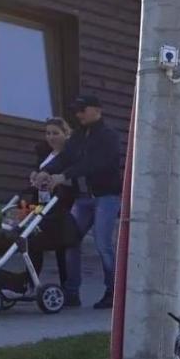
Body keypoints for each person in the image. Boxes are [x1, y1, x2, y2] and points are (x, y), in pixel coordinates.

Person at [50, 94, 122, 309]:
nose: (78, 114)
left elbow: (95, 164)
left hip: (106, 197)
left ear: (97, 109)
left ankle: (113, 292)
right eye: (76, 110)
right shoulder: (79, 136)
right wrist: (44, 172)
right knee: (70, 240)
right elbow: (64, 158)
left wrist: (64, 176)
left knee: (103, 244)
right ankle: (72, 293)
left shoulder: (109, 136)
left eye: (82, 109)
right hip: (83, 200)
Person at [27, 117, 81, 298]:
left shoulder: (70, 155)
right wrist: (34, 174)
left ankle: (68, 291)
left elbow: (71, 179)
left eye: (55, 133)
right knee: (33, 242)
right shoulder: (45, 154)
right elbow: (39, 169)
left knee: (61, 248)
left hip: (60, 205)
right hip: (42, 204)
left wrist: (54, 180)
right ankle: (31, 282)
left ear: (66, 134)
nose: (51, 137)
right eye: (48, 133)